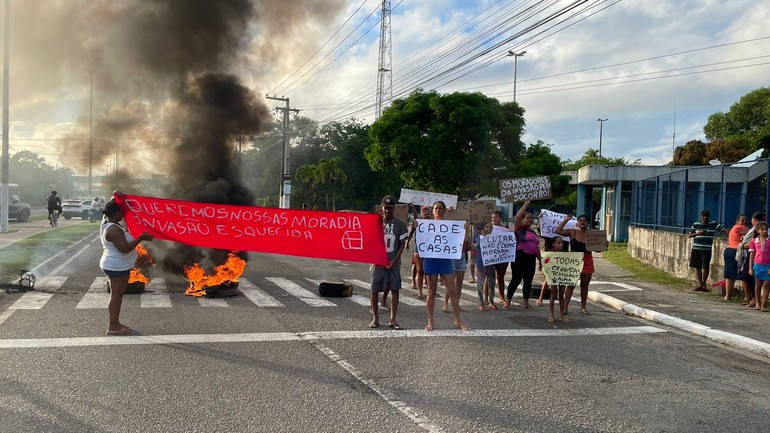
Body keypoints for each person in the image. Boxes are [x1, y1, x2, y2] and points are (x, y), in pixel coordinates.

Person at [100, 200, 154, 335]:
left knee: (117, 295)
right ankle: (113, 326)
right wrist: (140, 238)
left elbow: (111, 206)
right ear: (115, 212)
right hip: (116, 266)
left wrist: (116, 197)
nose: (124, 215)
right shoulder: (113, 229)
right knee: (116, 296)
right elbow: (124, 248)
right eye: (121, 212)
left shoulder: (107, 222)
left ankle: (115, 323)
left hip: (117, 265)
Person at [423, 200, 469, 331]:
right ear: (432, 211)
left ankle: (458, 320)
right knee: (431, 292)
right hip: (431, 261)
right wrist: (416, 226)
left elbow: (458, 240)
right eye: (436, 208)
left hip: (445, 261)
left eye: (440, 208)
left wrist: (464, 229)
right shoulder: (426, 225)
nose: (438, 210)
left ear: (444, 210)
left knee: (452, 291)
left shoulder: (450, 226)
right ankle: (430, 321)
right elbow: (421, 238)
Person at [369, 195, 409, 329]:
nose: (388, 211)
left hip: (393, 261)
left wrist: (395, 260)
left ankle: (393, 319)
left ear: (394, 209)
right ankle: (375, 317)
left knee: (395, 289)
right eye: (386, 208)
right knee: (374, 289)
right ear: (381, 208)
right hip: (378, 261)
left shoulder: (400, 224)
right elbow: (370, 241)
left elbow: (402, 244)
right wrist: (374, 258)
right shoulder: (376, 222)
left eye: (390, 208)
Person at [506, 200, 542, 310]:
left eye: (531, 218)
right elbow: (517, 217)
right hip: (519, 257)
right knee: (516, 280)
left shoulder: (533, 232)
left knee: (528, 280)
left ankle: (526, 302)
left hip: (531, 259)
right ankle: (508, 302)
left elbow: (536, 248)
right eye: (527, 218)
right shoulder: (518, 229)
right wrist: (526, 204)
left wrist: (540, 260)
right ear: (522, 220)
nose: (530, 220)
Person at [556, 214, 594, 315]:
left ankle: (583, 307)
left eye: (584, 221)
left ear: (587, 223)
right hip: (574, 261)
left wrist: (604, 245)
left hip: (587, 261)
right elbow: (558, 230)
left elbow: (598, 250)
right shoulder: (572, 231)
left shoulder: (592, 234)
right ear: (577, 222)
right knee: (571, 285)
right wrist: (566, 220)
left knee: (584, 285)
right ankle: (565, 307)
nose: (582, 222)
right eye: (580, 220)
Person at [688, 210, 728, 292]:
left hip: (706, 248)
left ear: (709, 216)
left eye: (706, 216)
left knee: (705, 267)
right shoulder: (696, 224)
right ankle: (700, 284)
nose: (705, 217)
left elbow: (723, 230)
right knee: (697, 267)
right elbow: (689, 235)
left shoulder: (713, 224)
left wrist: (731, 235)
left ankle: (704, 284)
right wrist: (697, 233)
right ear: (701, 216)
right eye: (703, 216)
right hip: (696, 248)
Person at [740, 212, 766, 307]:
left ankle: (756, 300)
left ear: (754, 219)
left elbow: (753, 244)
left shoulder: (758, 230)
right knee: (752, 279)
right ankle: (756, 300)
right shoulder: (754, 229)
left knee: (753, 280)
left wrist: (744, 245)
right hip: (754, 257)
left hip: (759, 258)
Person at [406, 205, 432, 299]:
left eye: (428, 214)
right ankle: (420, 292)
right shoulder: (417, 222)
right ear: (421, 214)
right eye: (425, 214)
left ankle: (430, 290)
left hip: (431, 248)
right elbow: (411, 232)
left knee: (429, 271)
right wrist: (407, 242)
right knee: (420, 270)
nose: (427, 216)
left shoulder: (435, 224)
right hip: (419, 248)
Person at [543, 236, 570, 323]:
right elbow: (546, 263)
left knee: (561, 295)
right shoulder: (550, 253)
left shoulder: (565, 253)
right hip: (553, 276)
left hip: (562, 276)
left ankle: (561, 315)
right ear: (553, 244)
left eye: (562, 242)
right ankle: (551, 314)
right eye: (558, 243)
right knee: (553, 295)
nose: (561, 244)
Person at [723, 215, 748, 301]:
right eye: (742, 220)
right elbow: (752, 233)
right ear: (737, 221)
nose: (744, 222)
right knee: (743, 274)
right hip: (736, 251)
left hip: (730, 251)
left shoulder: (734, 228)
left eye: (745, 221)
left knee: (730, 275)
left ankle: (728, 295)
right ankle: (747, 297)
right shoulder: (739, 227)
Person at [473, 222, 498, 311]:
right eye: (487, 227)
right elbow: (475, 246)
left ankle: (491, 302)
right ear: (483, 228)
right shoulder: (479, 238)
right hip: (481, 264)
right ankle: (481, 303)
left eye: (491, 227)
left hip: (491, 264)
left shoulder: (495, 238)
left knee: (492, 283)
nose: (489, 229)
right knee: (480, 283)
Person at [748, 221, 770, 312]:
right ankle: (758, 303)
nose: (765, 231)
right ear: (758, 230)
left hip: (768, 266)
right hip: (757, 265)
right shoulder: (754, 241)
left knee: (766, 285)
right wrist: (750, 268)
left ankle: (764, 304)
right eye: (762, 230)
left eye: (766, 230)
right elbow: (752, 255)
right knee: (757, 285)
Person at [490, 210, 509, 304]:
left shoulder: (505, 229)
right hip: (491, 256)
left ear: (500, 218)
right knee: (489, 277)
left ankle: (502, 297)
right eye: (492, 217)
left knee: (500, 276)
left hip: (502, 257)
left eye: (496, 217)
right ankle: (488, 298)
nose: (494, 219)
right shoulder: (488, 228)